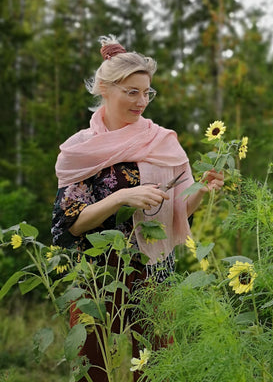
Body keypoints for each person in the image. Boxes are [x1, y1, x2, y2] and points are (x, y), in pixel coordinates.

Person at [51, 34, 224, 382]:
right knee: (92, 368)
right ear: (104, 88)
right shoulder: (82, 150)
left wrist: (202, 189)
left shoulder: (162, 142)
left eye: (147, 92)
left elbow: (178, 210)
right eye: (132, 92)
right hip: (98, 277)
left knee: (155, 368)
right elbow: (68, 226)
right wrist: (120, 198)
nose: (142, 101)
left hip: (153, 272)